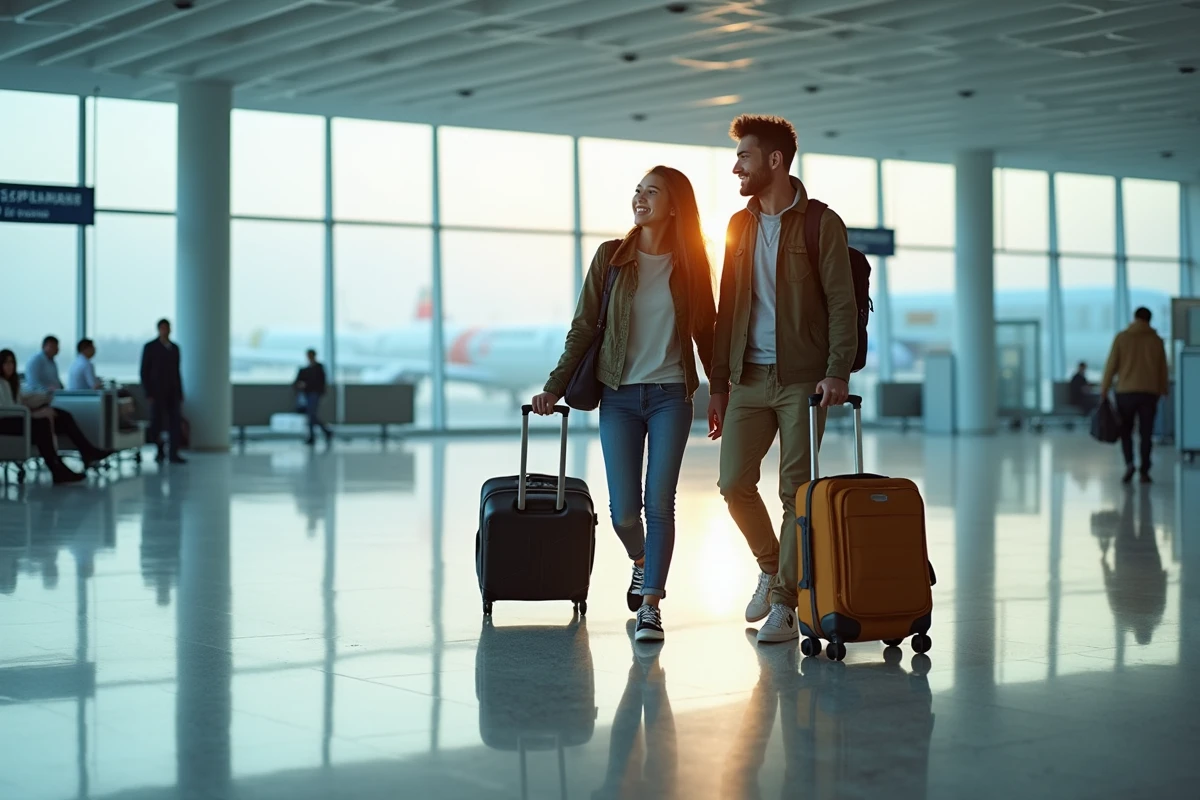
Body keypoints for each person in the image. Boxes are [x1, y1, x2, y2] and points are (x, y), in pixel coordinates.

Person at [533, 165, 717, 643]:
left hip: (671, 395)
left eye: (652, 192)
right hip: (618, 395)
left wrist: (719, 389)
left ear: (674, 206)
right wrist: (554, 386)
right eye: (638, 191)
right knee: (623, 514)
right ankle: (641, 560)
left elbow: (707, 332)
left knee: (660, 504)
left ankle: (652, 605)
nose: (640, 198)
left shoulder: (691, 265)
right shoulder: (611, 257)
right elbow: (583, 327)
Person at [707, 114, 858, 645]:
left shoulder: (821, 223)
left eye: (744, 157)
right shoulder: (738, 226)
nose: (736, 168)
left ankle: (785, 605)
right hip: (747, 378)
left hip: (802, 380)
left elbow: (841, 302)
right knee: (732, 483)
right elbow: (728, 309)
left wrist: (836, 370)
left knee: (795, 491)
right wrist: (719, 385)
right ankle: (772, 568)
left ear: (775, 161)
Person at [0, 349, 110, 484]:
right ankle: (57, 468)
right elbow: (7, 410)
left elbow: (20, 401)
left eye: (12, 362)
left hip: (19, 418)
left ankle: (87, 451)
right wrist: (33, 414)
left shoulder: (12, 383)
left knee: (62, 416)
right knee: (42, 423)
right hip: (6, 422)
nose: (9, 366)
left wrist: (43, 399)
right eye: (6, 363)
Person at [1100, 306, 1169, 484]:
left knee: (1126, 431)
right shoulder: (1156, 341)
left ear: (1135, 318)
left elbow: (1111, 365)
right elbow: (1163, 368)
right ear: (1149, 320)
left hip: (1125, 392)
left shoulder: (1122, 338)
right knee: (1146, 433)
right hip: (1149, 393)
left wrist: (1104, 388)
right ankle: (1144, 470)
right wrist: (1164, 390)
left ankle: (1129, 463)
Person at [140, 318, 186, 465]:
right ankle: (159, 451)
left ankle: (173, 453)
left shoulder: (175, 348)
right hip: (157, 392)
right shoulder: (150, 347)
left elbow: (177, 372)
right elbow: (144, 371)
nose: (166, 331)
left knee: (175, 423)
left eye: (168, 328)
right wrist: (148, 392)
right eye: (163, 328)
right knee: (157, 423)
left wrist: (180, 392)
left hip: (173, 391)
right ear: (159, 329)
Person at [294, 349, 333, 446]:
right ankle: (325, 432)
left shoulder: (319, 368)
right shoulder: (304, 369)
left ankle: (313, 436)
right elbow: (296, 382)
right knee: (311, 415)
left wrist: (307, 385)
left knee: (311, 414)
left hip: (315, 394)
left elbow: (321, 382)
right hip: (307, 394)